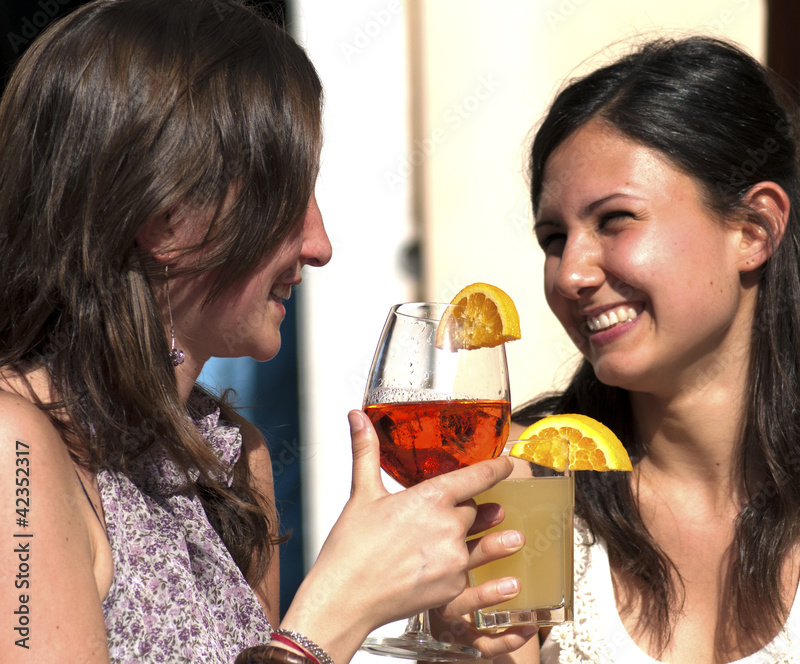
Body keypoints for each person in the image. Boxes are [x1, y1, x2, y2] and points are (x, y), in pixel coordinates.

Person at [0, 1, 536, 662]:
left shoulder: (229, 461)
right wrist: (335, 611)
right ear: (166, 216)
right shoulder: (15, 451)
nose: (320, 244)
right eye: (287, 197)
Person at [456, 36, 800, 662]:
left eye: (614, 220)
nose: (570, 272)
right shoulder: (526, 478)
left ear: (754, 229)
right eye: (554, 238)